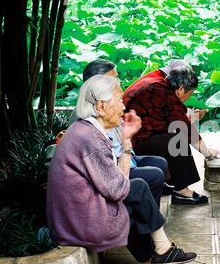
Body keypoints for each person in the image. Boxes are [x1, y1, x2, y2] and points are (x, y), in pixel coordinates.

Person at [46, 75, 197, 264]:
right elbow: (117, 189)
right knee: (138, 190)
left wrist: (125, 140)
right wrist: (126, 144)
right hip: (80, 222)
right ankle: (162, 248)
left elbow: (114, 182)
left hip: (80, 212)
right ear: (101, 107)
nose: (124, 107)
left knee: (138, 193)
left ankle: (147, 260)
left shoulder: (86, 130)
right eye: (119, 101)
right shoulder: (90, 139)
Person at [68, 59, 170, 205]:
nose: (119, 82)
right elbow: (109, 164)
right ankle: (142, 218)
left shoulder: (105, 103)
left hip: (121, 160)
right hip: (111, 169)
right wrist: (126, 145)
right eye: (113, 79)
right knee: (154, 175)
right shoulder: (88, 115)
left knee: (159, 163)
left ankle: (146, 213)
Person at [123, 63, 219, 205]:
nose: (188, 97)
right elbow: (186, 130)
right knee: (177, 141)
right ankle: (182, 191)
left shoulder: (159, 82)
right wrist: (208, 154)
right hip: (131, 140)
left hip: (133, 132)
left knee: (170, 137)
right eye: (190, 93)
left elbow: (168, 115)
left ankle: (164, 181)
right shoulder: (165, 93)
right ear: (180, 89)